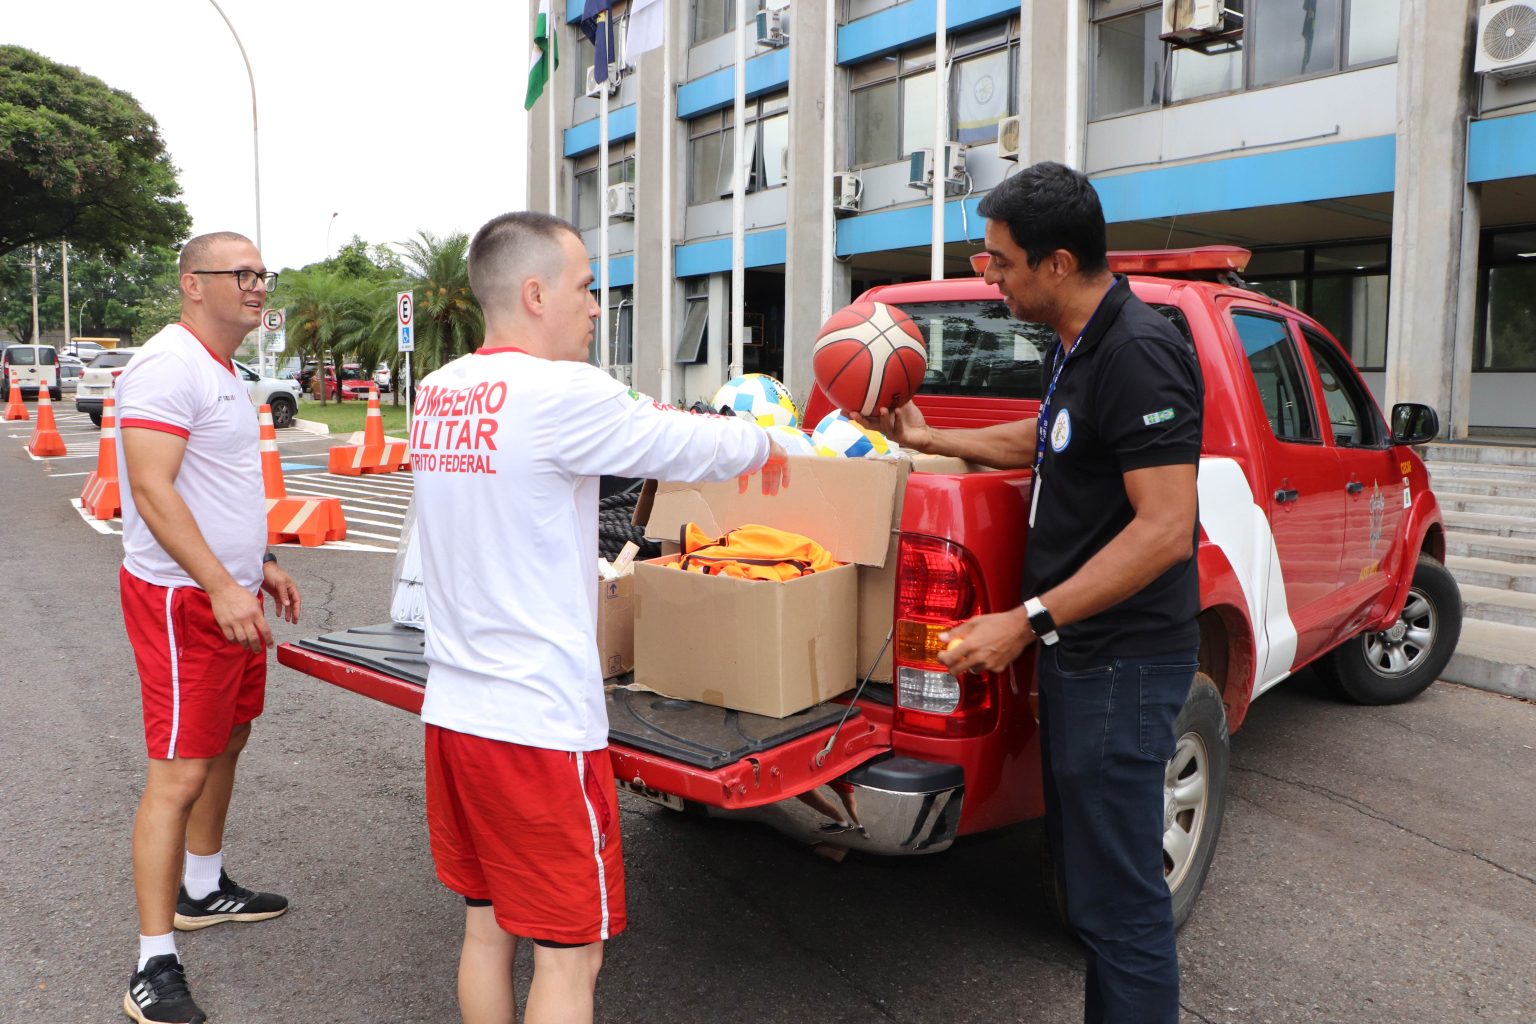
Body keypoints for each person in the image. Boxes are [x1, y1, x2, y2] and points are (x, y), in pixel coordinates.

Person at [410, 211, 787, 1024]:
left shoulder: (439, 391)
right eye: (586, 289)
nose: (594, 307)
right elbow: (691, 445)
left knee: (486, 932)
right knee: (570, 954)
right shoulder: (561, 392)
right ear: (536, 292)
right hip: (537, 725)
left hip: (455, 712)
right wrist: (770, 438)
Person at [861, 162, 1203, 1023]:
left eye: (1001, 261)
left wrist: (1026, 619)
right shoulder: (1080, 343)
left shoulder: (1137, 351)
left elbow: (1165, 528)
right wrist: (932, 436)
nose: (990, 275)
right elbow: (1049, 443)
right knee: (1091, 893)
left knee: (1121, 906)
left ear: (1056, 264)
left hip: (1124, 666)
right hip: (1083, 659)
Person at [116, 231, 302, 1024]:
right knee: (179, 772)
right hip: (183, 599)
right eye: (242, 273)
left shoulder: (222, 368)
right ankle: (152, 964)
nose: (258, 286)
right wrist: (220, 584)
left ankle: (204, 886)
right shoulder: (169, 364)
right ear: (194, 284)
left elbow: (217, 483)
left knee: (229, 737)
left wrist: (254, 560)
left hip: (226, 590)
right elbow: (152, 489)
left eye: (263, 273)